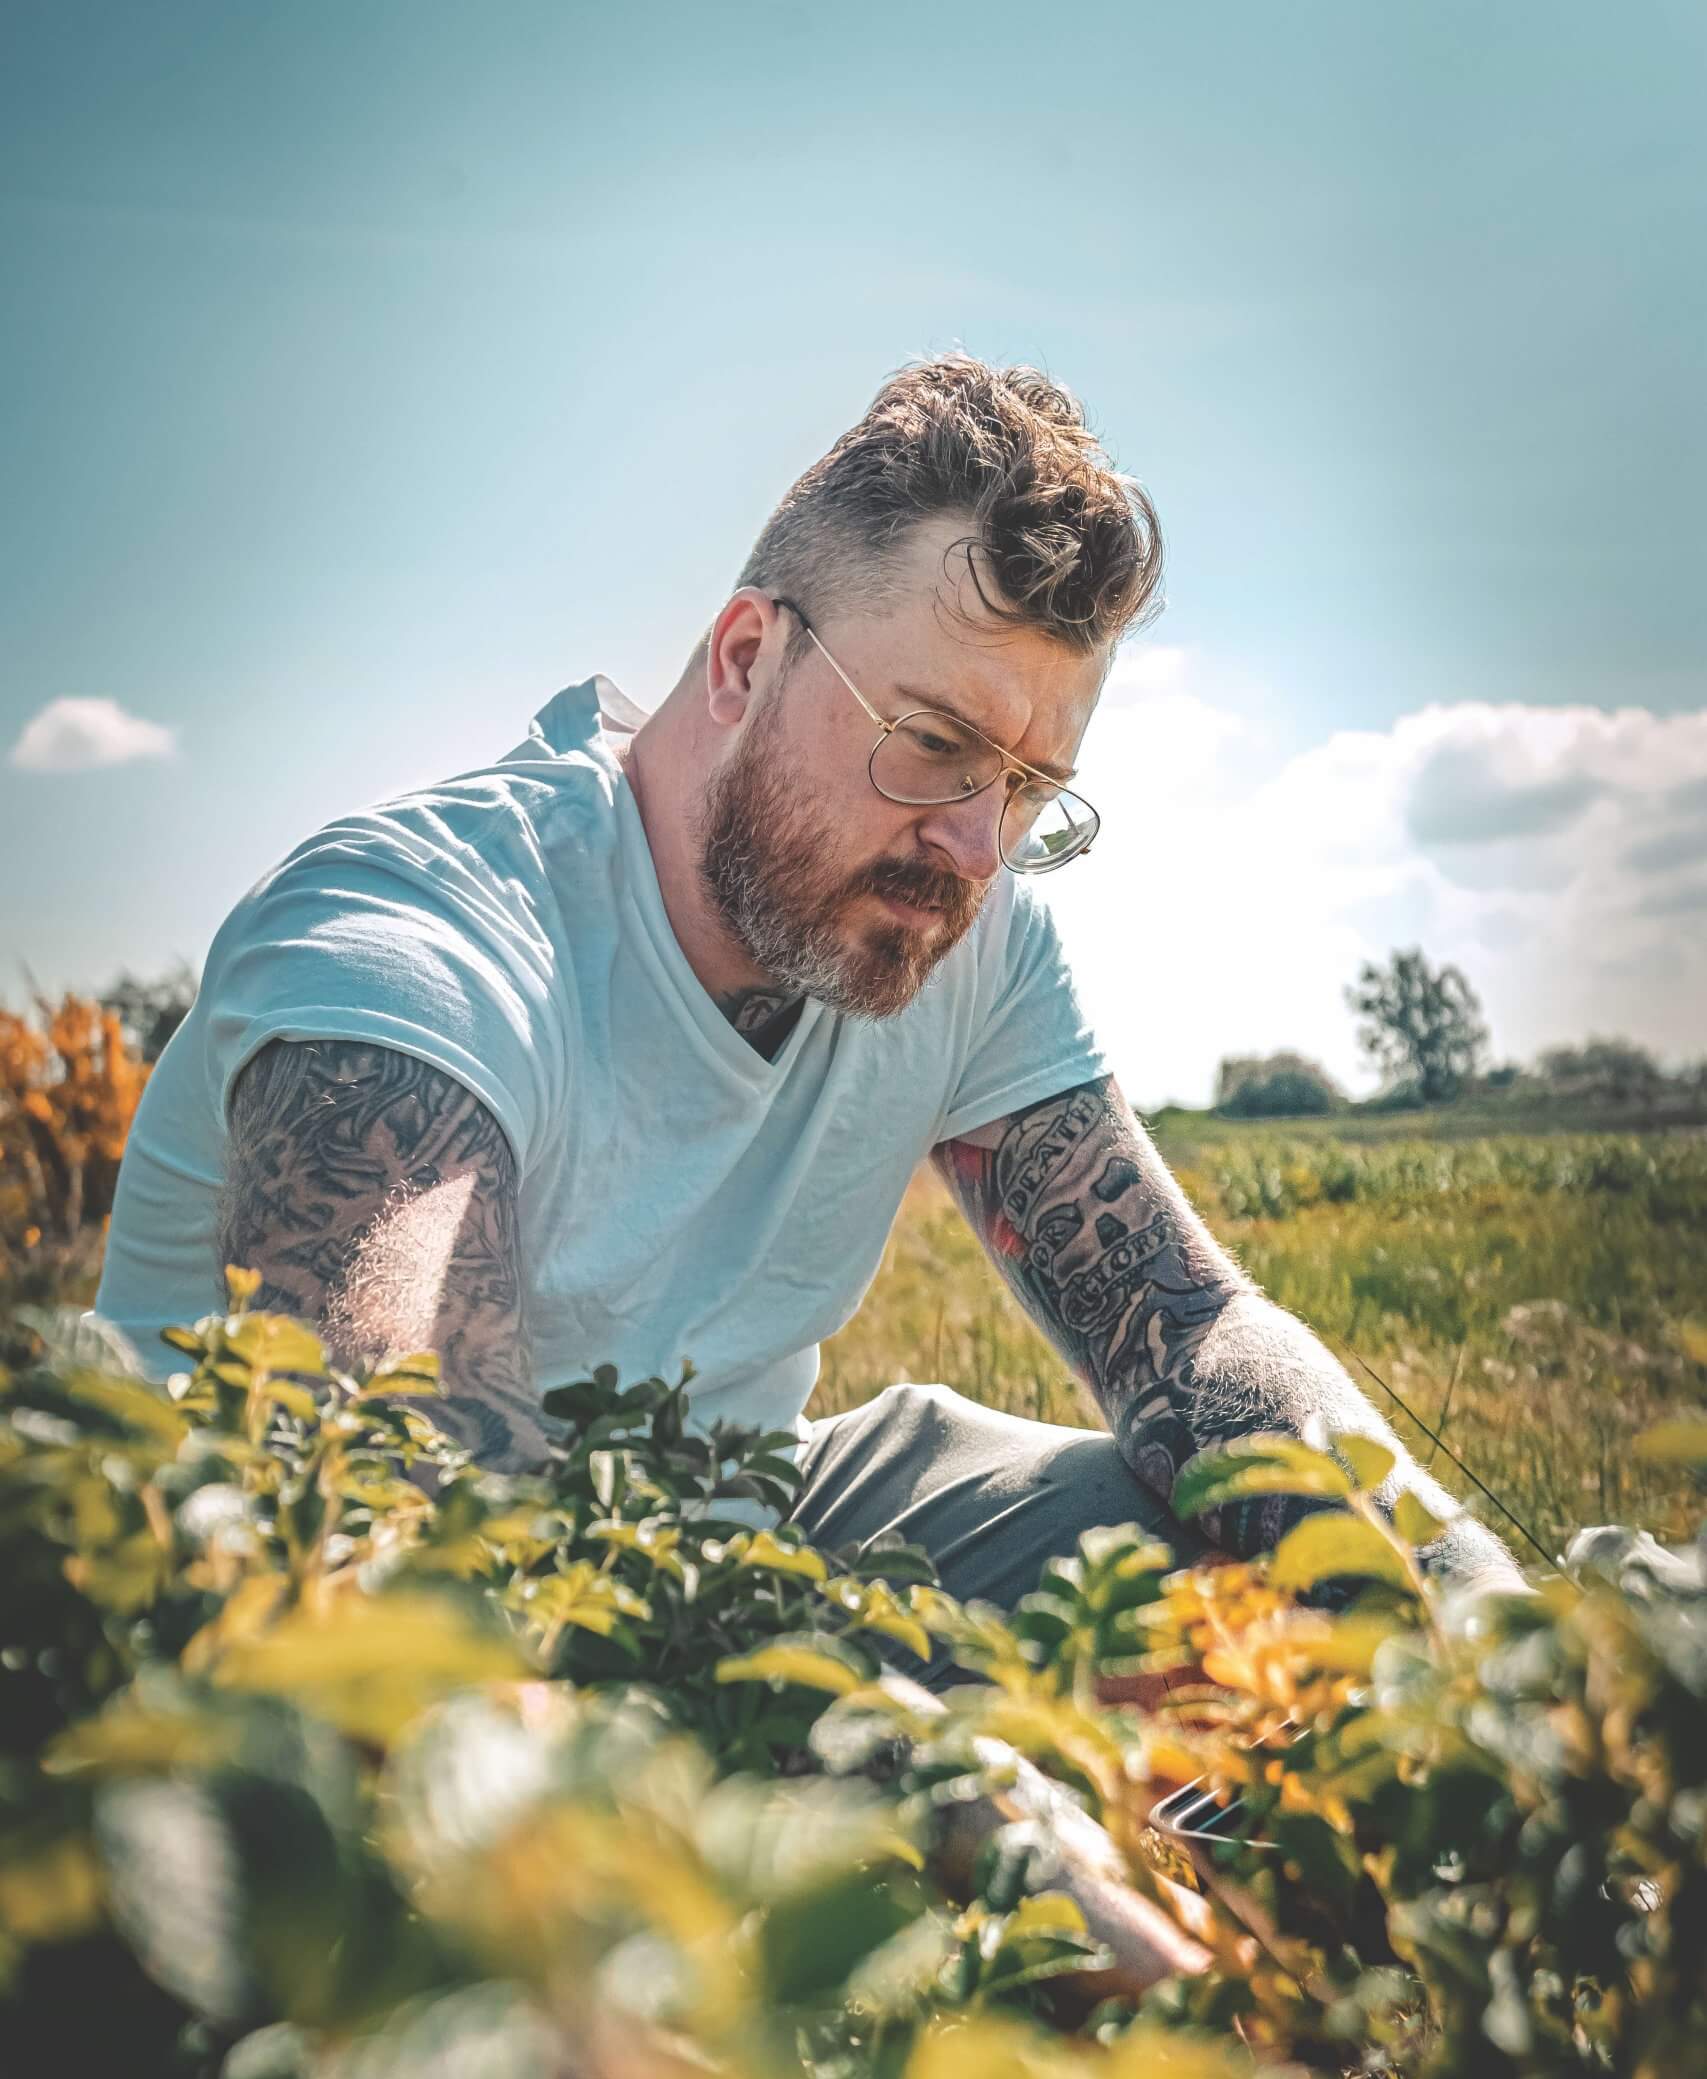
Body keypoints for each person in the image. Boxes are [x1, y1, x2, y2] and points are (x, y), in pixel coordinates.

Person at [96, 354, 1520, 1623]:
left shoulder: (961, 924)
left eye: (1031, 790)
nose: (975, 842)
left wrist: (1479, 1638)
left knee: (1213, 1550)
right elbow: (386, 1494)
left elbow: (1184, 1330)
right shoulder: (418, 938)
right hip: (267, 1618)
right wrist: (918, 1759)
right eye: (932, 740)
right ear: (742, 659)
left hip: (740, 1522)